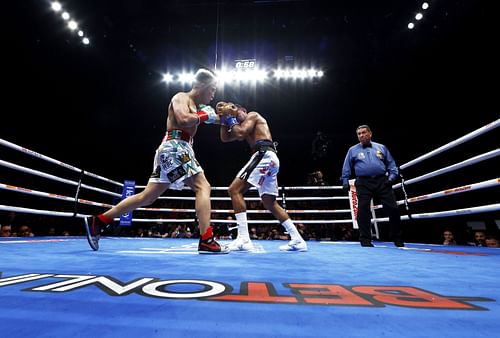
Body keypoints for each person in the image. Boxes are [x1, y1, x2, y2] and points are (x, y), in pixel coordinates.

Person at [85, 68, 229, 254]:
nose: (213, 95)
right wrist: (204, 116)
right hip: (175, 147)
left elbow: (218, 119)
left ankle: (99, 221)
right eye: (212, 89)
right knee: (203, 186)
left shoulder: (198, 107)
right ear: (201, 85)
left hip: (174, 150)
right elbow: (184, 119)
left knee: (148, 196)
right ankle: (206, 239)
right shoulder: (181, 97)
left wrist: (234, 117)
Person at [217, 102, 307, 252]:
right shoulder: (239, 124)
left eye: (236, 111)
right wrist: (223, 119)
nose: (235, 116)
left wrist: (230, 116)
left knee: (234, 190)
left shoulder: (252, 115)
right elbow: (225, 138)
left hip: (264, 154)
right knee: (269, 202)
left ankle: (244, 239)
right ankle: (298, 239)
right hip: (268, 158)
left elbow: (239, 133)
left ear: (243, 110)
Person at [341, 124, 404, 247]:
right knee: (363, 211)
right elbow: (346, 167)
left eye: (364, 132)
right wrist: (345, 182)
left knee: (393, 209)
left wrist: (391, 179)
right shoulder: (352, 150)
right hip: (363, 183)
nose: (362, 135)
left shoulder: (381, 147)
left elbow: (392, 165)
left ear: (370, 133)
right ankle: (365, 239)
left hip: (382, 181)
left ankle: (397, 238)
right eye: (359, 134)